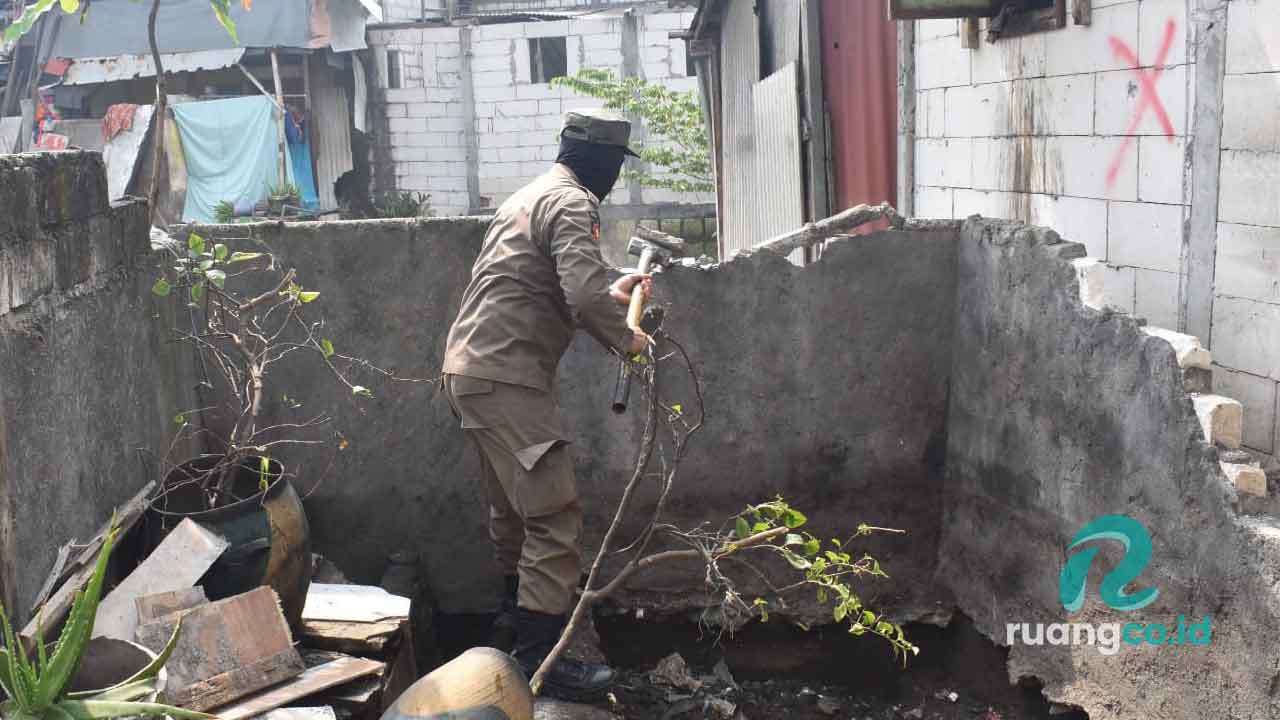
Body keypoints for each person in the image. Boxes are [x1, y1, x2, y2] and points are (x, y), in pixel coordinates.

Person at [441, 109, 651, 701]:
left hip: (473, 371)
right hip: (508, 377)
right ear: (605, 164)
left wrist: (610, 295)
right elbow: (581, 294)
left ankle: (513, 627)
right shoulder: (573, 203)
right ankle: (542, 664)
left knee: (513, 511)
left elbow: (551, 287)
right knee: (553, 516)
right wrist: (627, 336)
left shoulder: (529, 198)